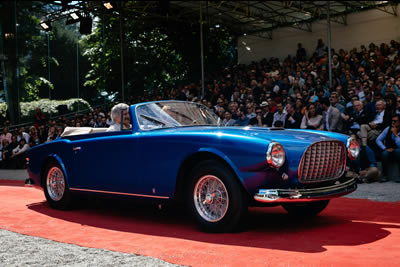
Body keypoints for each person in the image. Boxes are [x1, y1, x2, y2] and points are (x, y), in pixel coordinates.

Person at [376, 114, 400, 182]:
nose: (393, 122)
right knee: (384, 154)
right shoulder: (388, 129)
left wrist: (395, 135)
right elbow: (378, 140)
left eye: (395, 121)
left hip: (398, 150)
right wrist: (384, 148)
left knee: (398, 152)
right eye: (392, 121)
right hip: (389, 150)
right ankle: (384, 175)